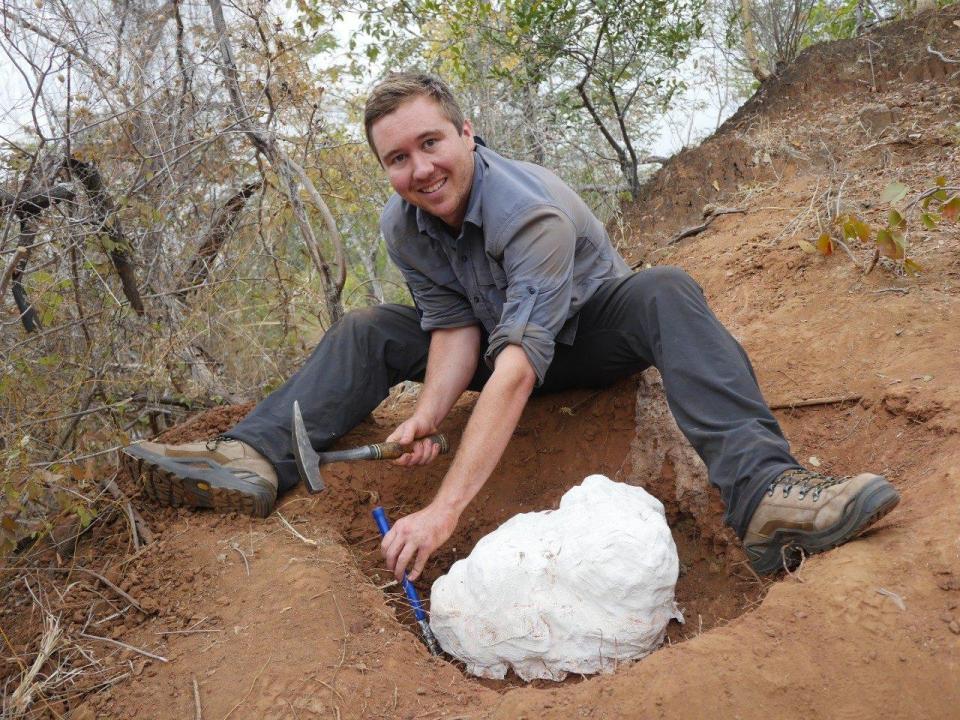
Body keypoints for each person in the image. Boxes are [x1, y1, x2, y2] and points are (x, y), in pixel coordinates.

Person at [123, 73, 899, 579]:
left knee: (665, 289)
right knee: (367, 328)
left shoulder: (531, 212)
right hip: (496, 341)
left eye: (431, 143)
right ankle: (253, 458)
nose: (419, 169)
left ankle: (765, 492)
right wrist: (429, 413)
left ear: (468, 133)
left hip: (587, 337)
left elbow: (519, 370)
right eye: (397, 158)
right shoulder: (405, 224)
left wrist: (444, 510)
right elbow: (454, 327)